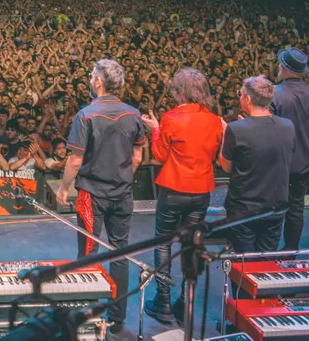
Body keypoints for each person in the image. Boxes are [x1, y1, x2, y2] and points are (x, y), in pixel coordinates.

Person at [61, 59, 145, 334]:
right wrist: (121, 176)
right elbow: (137, 156)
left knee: (87, 253)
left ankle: (86, 313)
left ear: (99, 82)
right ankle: (118, 318)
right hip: (123, 193)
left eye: (91, 75)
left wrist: (64, 188)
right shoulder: (134, 114)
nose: (89, 78)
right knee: (119, 253)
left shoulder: (86, 114)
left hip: (91, 195)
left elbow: (75, 159)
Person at [141, 67, 224, 326]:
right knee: (191, 245)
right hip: (201, 191)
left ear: (179, 90)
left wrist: (155, 129)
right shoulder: (213, 119)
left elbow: (160, 155)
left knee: (164, 242)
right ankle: (184, 301)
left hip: (174, 189)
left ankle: (163, 302)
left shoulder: (170, 118)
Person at [219, 76, 295, 252]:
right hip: (275, 206)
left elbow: (226, 166)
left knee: (244, 265)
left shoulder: (236, 129)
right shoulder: (287, 125)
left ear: (247, 98)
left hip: (244, 209)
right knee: (267, 264)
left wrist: (226, 135)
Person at [271, 47, 309, 250]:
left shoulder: (273, 94)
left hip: (277, 163)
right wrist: (304, 136)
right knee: (296, 209)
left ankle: (267, 251)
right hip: (304, 164)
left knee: (272, 208)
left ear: (285, 68)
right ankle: (290, 251)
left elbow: (266, 132)